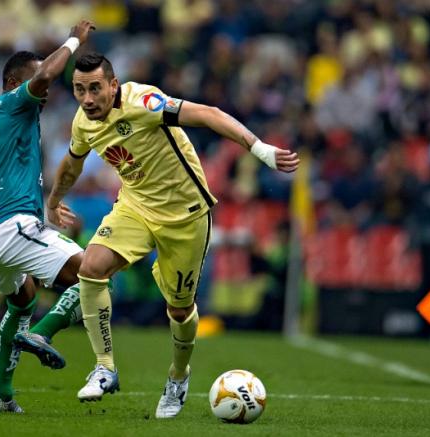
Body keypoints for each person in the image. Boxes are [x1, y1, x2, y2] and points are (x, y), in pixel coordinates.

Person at [47, 53, 299, 418]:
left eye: (95, 89)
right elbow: (73, 162)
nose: (87, 99)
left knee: (179, 309)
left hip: (186, 216)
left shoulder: (144, 102)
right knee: (92, 266)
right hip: (134, 207)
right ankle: (105, 367)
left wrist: (260, 149)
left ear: (113, 86)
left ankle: (178, 376)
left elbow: (209, 114)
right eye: (79, 90)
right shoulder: (84, 122)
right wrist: (54, 200)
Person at [0, 20, 95, 414]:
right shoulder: (12, 102)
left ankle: (1, 395)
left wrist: (48, 205)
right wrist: (74, 40)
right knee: (93, 271)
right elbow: (45, 74)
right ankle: (42, 334)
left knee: (22, 300)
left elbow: (14, 173)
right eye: (34, 80)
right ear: (11, 82)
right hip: (9, 224)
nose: (46, 88)